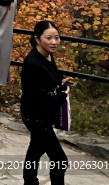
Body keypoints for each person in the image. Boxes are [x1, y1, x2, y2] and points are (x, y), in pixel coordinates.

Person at [21, 21, 72, 185]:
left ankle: (29, 182)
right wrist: (64, 94)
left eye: (57, 38)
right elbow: (44, 99)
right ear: (37, 39)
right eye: (48, 38)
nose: (54, 42)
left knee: (35, 151)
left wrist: (61, 82)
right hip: (37, 118)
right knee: (60, 160)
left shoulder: (47, 54)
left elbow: (50, 78)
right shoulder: (33, 64)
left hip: (38, 114)